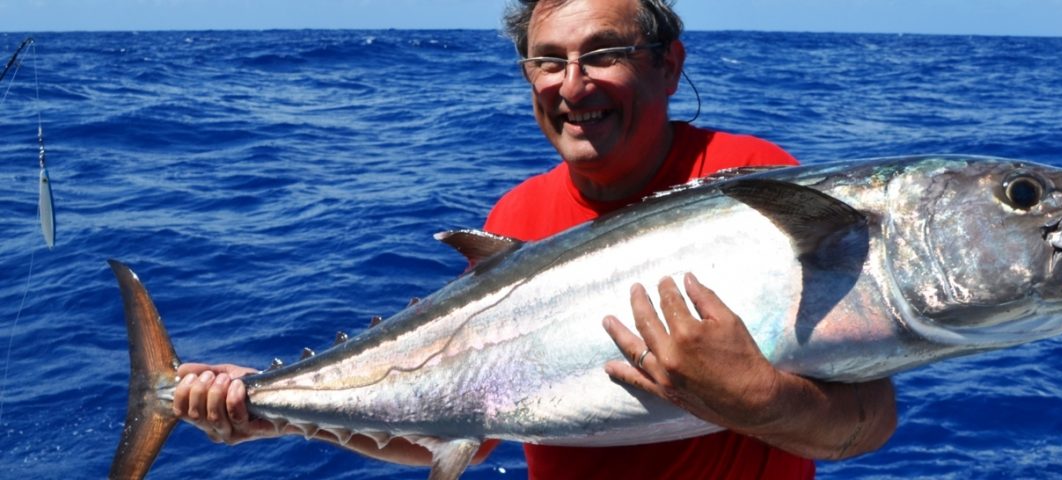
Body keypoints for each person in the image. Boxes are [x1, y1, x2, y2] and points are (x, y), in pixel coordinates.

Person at [173, 0, 898, 477]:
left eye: (603, 53)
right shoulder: (518, 216)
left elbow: (866, 424)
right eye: (548, 60)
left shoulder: (757, 184)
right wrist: (268, 412)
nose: (572, 84)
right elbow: (463, 428)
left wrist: (759, 396)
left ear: (669, 65)